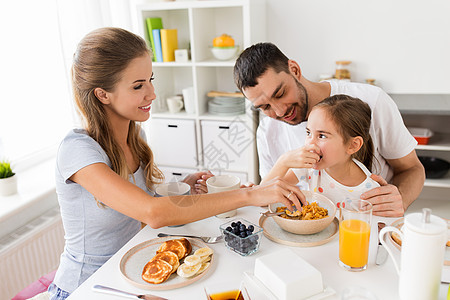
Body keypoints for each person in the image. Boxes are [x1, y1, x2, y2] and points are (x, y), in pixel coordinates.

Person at [48, 28, 304, 299]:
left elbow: (136, 206)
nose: (152, 94)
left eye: (150, 80)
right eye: (138, 86)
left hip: (133, 273)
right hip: (89, 286)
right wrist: (249, 195)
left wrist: (181, 189)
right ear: (103, 95)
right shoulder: (78, 151)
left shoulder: (135, 137)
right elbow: (152, 213)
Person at [234, 42, 425, 217]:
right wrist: (254, 192)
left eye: (281, 93)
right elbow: (269, 193)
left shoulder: (371, 100)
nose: (280, 111)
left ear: (294, 70)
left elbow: (413, 169)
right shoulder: (267, 131)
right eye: (265, 107)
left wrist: (400, 198)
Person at [262, 94, 381, 204]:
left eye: (322, 136)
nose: (310, 144)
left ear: (353, 145)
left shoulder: (370, 191)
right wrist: (283, 162)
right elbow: (263, 196)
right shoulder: (308, 168)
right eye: (308, 133)